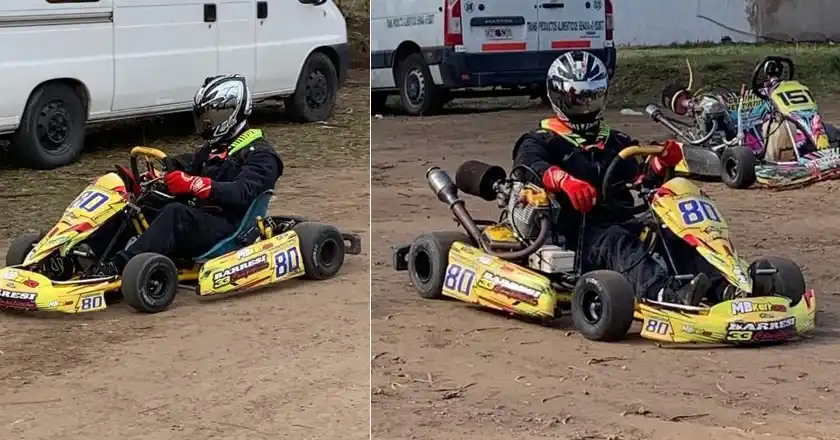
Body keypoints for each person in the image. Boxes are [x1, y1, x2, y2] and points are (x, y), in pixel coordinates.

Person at [512, 51, 710, 306]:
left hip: (621, 219)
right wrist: (562, 180)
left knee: (670, 233)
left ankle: (723, 287)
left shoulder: (616, 141)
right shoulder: (543, 139)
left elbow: (644, 178)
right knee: (619, 241)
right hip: (574, 233)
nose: (584, 107)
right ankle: (664, 295)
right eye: (577, 99)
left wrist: (661, 162)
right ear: (559, 97)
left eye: (591, 98)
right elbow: (527, 164)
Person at [112, 74, 283, 270]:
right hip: (201, 217)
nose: (205, 122)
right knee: (140, 205)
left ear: (230, 113)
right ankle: (85, 254)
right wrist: (156, 177)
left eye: (210, 116)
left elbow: (242, 192)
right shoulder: (212, 149)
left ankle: (120, 267)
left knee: (176, 213)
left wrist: (196, 184)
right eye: (202, 116)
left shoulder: (262, 155)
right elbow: (184, 165)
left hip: (228, 228)